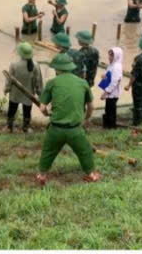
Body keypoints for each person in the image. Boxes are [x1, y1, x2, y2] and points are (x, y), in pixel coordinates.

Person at [37, 52, 99, 185]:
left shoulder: (51, 83)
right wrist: (85, 119)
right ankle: (91, 174)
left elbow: (42, 108)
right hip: (75, 129)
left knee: (48, 152)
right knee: (85, 151)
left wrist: (48, 114)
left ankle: (42, 175)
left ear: (57, 69)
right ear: (71, 67)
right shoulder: (83, 83)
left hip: (56, 129)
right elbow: (91, 107)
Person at [6, 42, 43, 133]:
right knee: (27, 112)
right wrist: (39, 93)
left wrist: (7, 89)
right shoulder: (35, 65)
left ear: (20, 53)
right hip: (28, 94)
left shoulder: (14, 64)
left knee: (12, 110)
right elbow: (38, 81)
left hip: (15, 93)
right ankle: (25, 128)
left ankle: (9, 127)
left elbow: (9, 80)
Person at [98, 46, 124, 127]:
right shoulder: (113, 65)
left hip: (113, 94)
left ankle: (110, 127)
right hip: (111, 93)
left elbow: (114, 82)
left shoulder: (116, 67)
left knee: (110, 111)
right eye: (109, 55)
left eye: (112, 55)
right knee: (108, 110)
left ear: (117, 56)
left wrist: (105, 93)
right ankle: (108, 126)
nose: (109, 57)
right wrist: (104, 76)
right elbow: (110, 75)